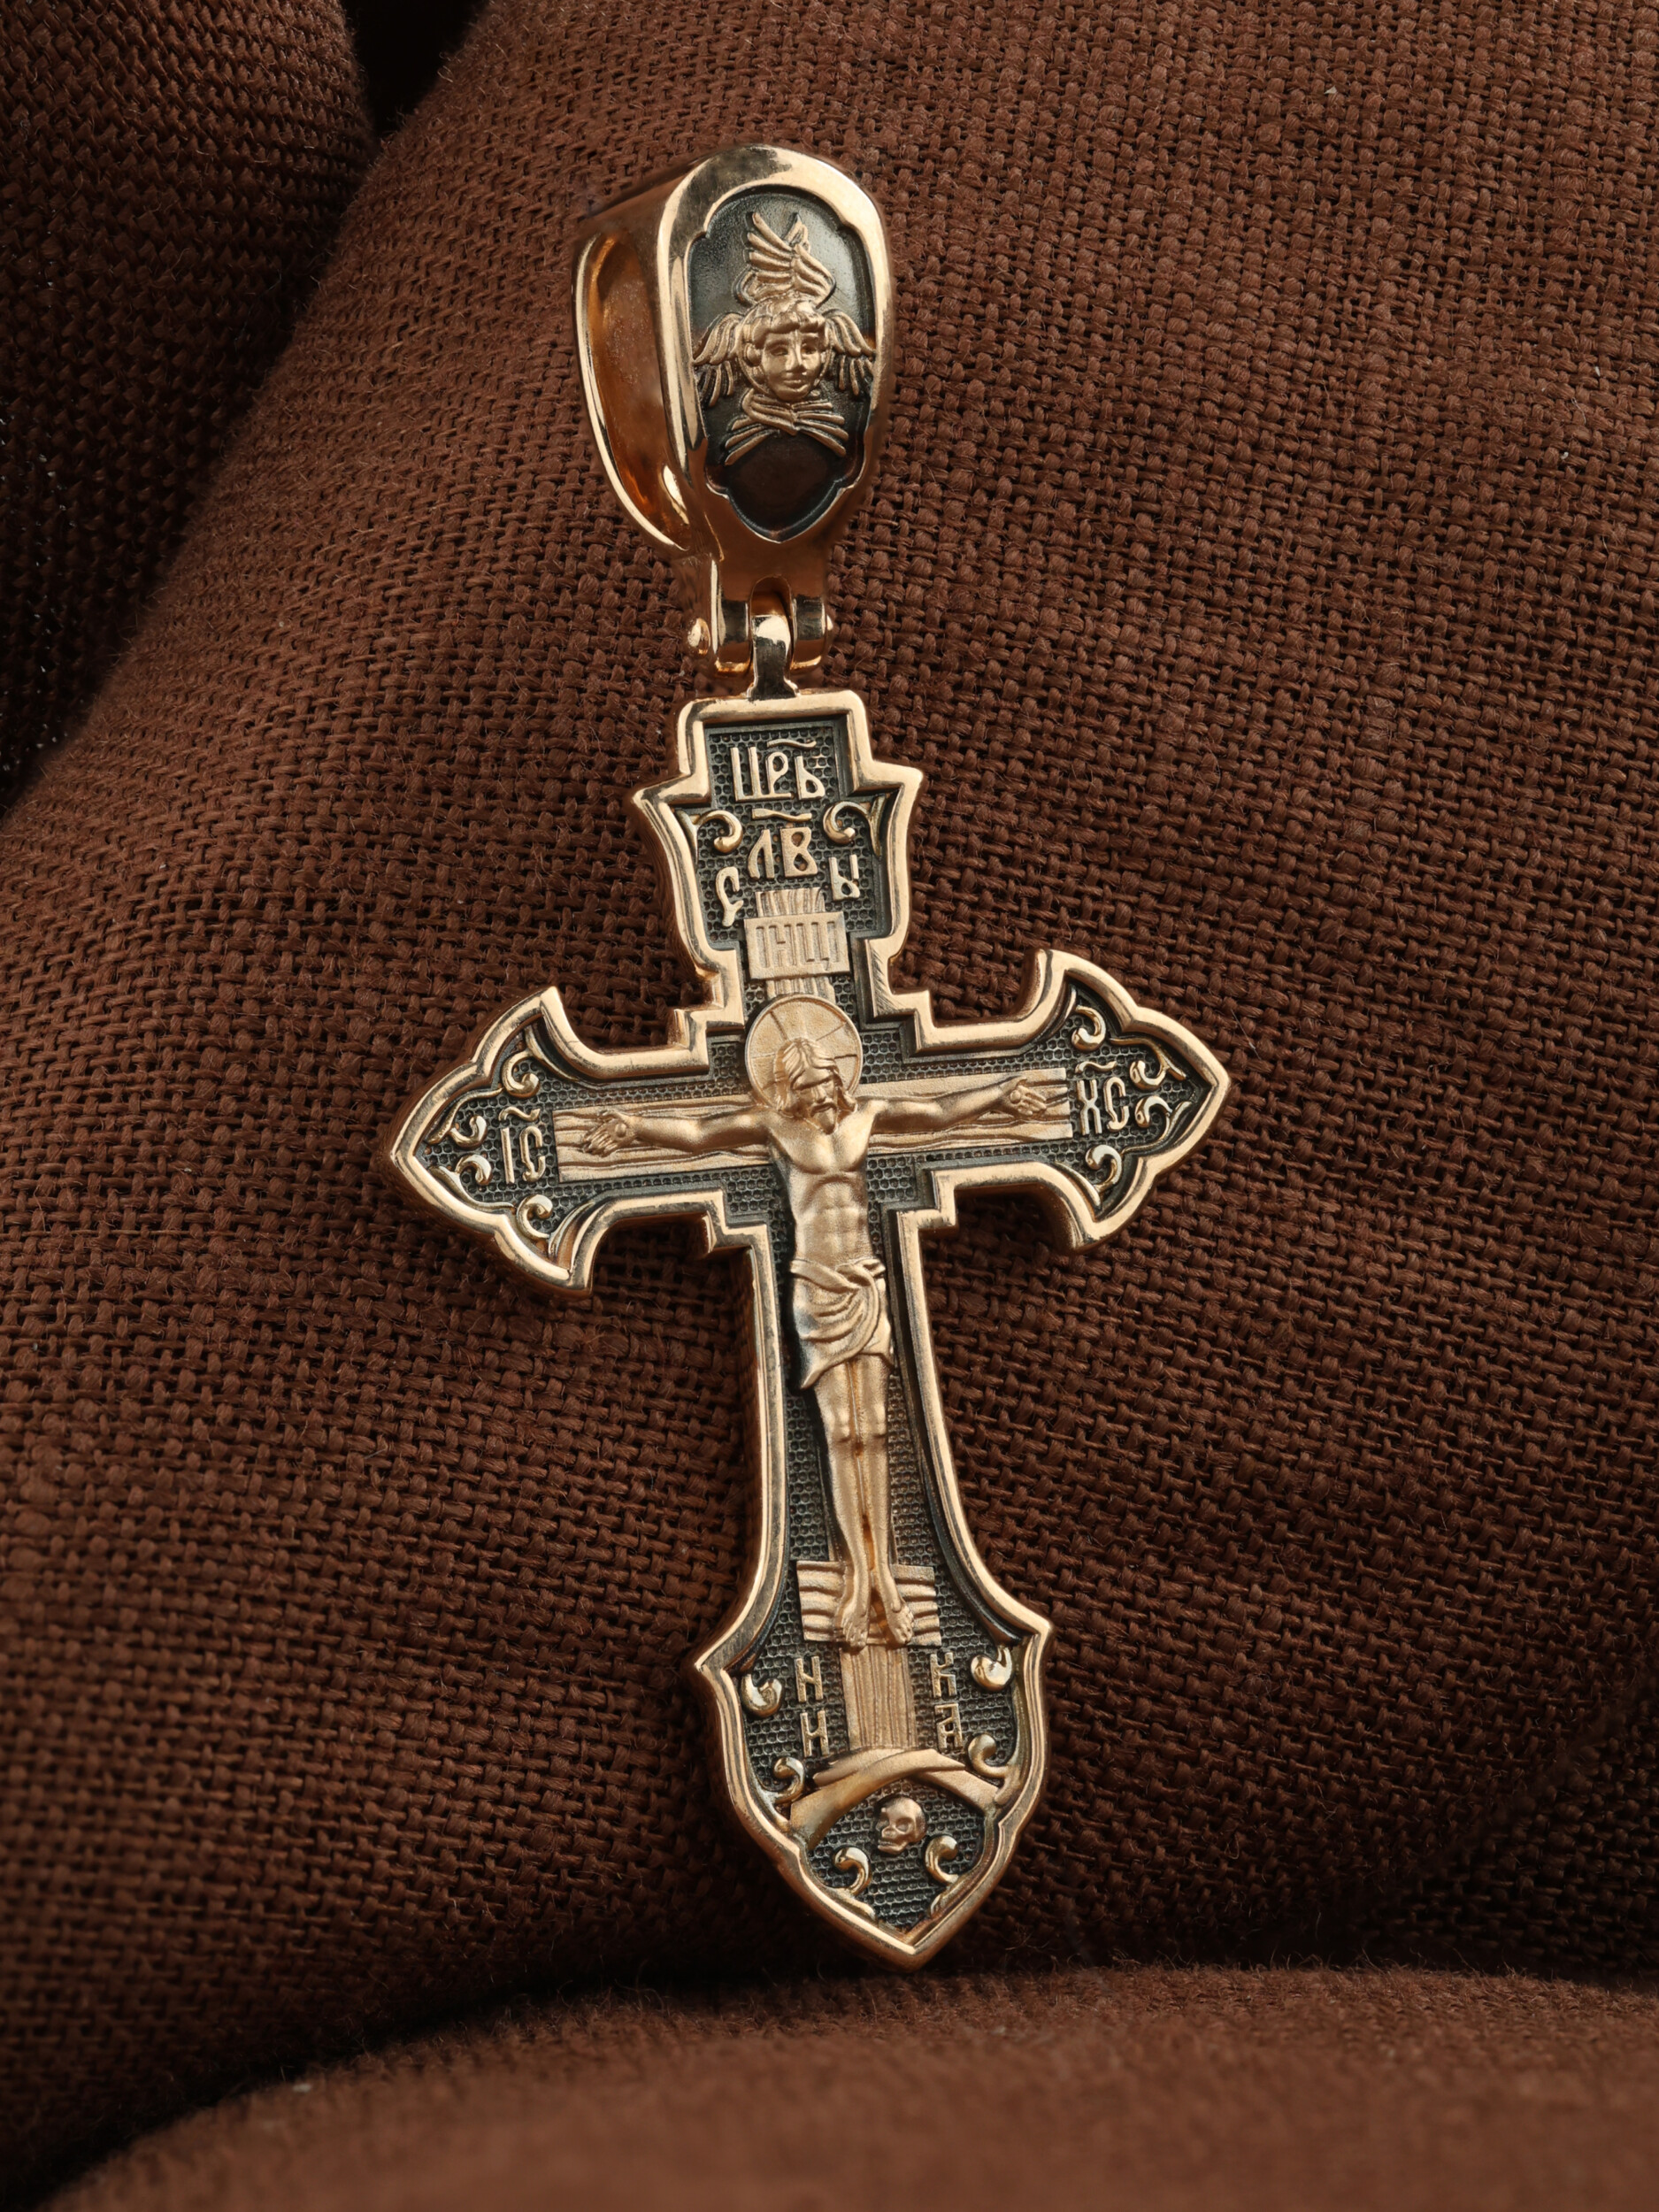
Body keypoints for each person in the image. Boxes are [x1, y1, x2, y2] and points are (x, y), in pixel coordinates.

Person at [584, 998, 1048, 1648]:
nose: (823, 1095)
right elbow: (697, 1133)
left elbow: (940, 1113)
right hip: (817, 1288)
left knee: (876, 1428)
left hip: (864, 1283)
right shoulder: (773, 1127)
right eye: (808, 1088)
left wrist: (999, 1094)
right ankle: (857, 1577)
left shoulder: (868, 1115)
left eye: (827, 1082)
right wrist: (632, 1125)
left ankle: (885, 1575)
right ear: (789, 1092)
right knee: (840, 1432)